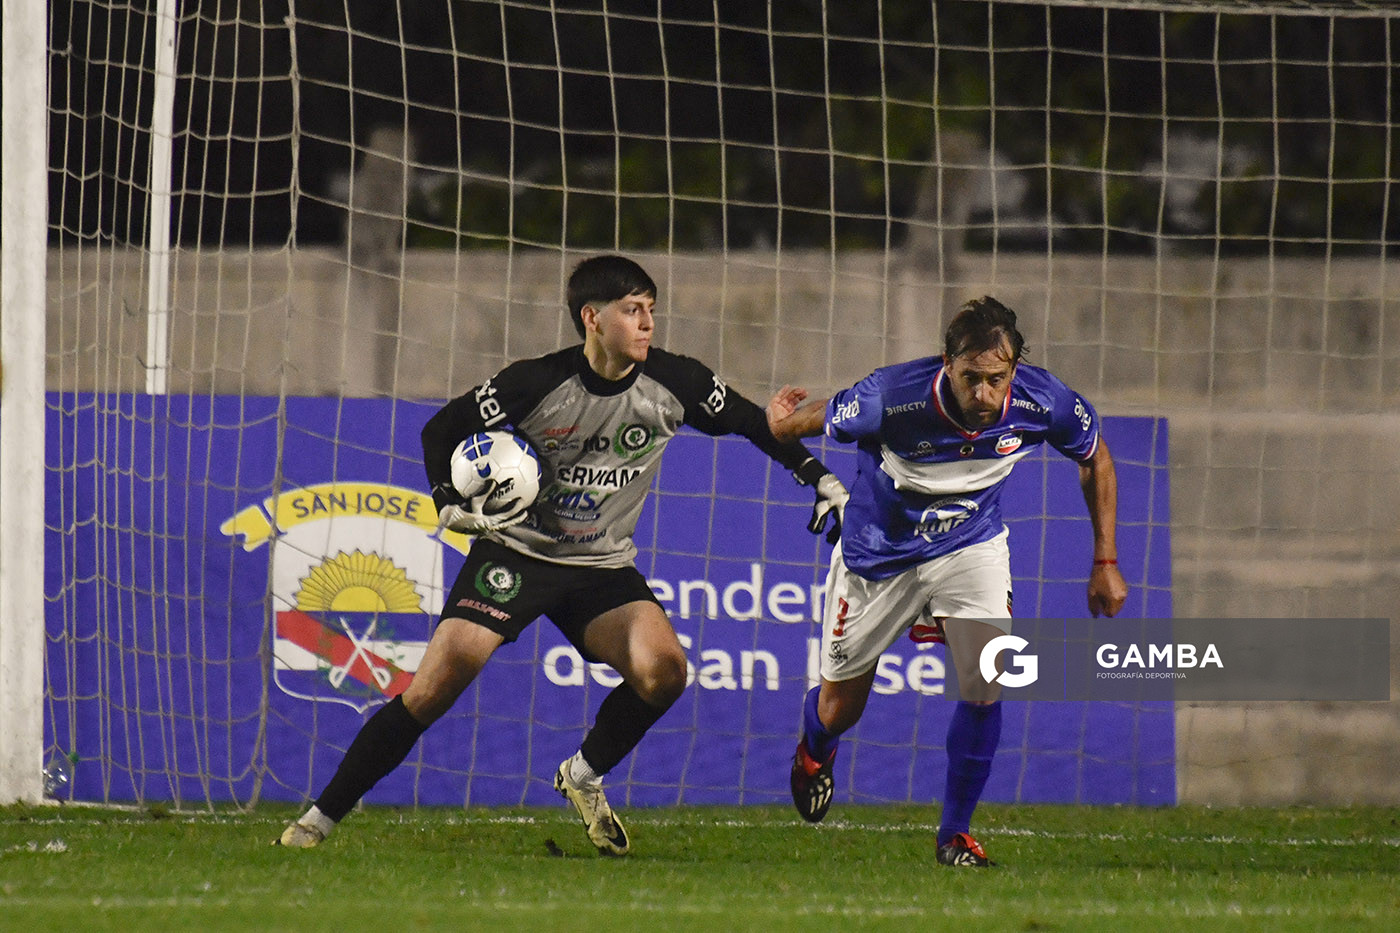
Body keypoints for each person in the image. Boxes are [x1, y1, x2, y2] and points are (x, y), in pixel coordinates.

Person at [277, 255, 847, 855]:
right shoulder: (535, 383)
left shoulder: (675, 382)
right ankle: (319, 819)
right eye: (633, 311)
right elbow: (440, 430)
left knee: (665, 673)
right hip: (515, 555)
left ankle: (583, 774)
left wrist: (819, 477)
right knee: (432, 690)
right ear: (592, 318)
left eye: (651, 309)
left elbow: (758, 425)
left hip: (602, 566)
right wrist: (446, 501)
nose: (648, 322)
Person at [766, 296, 1128, 867]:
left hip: (970, 546)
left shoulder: (1044, 400)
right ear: (946, 364)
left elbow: (1096, 457)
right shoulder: (890, 396)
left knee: (988, 680)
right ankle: (815, 749)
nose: (984, 395)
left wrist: (1105, 559)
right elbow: (816, 420)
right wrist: (781, 420)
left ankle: (954, 835)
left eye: (996, 380)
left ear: (1013, 370)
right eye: (970, 379)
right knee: (839, 708)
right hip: (878, 558)